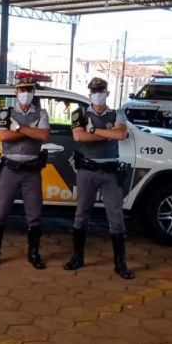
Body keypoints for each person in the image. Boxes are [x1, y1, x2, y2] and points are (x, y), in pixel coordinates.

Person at [65, 77, 134, 279]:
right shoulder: (79, 113)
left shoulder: (118, 113)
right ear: (89, 94)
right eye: (94, 91)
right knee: (81, 214)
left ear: (107, 92)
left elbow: (120, 135)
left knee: (116, 217)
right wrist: (108, 133)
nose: (98, 94)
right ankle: (77, 257)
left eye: (101, 90)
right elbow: (79, 137)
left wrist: (94, 130)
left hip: (110, 173)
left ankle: (120, 263)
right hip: (87, 172)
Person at [0, 78, 50, 269]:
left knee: (34, 214)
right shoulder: (6, 112)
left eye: (29, 89)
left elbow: (43, 135)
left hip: (32, 171)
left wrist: (19, 128)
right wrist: (31, 130)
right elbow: (4, 136)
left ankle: (34, 254)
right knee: (0, 213)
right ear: (16, 92)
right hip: (10, 170)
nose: (25, 93)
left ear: (33, 92)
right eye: (22, 89)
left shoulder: (41, 112)